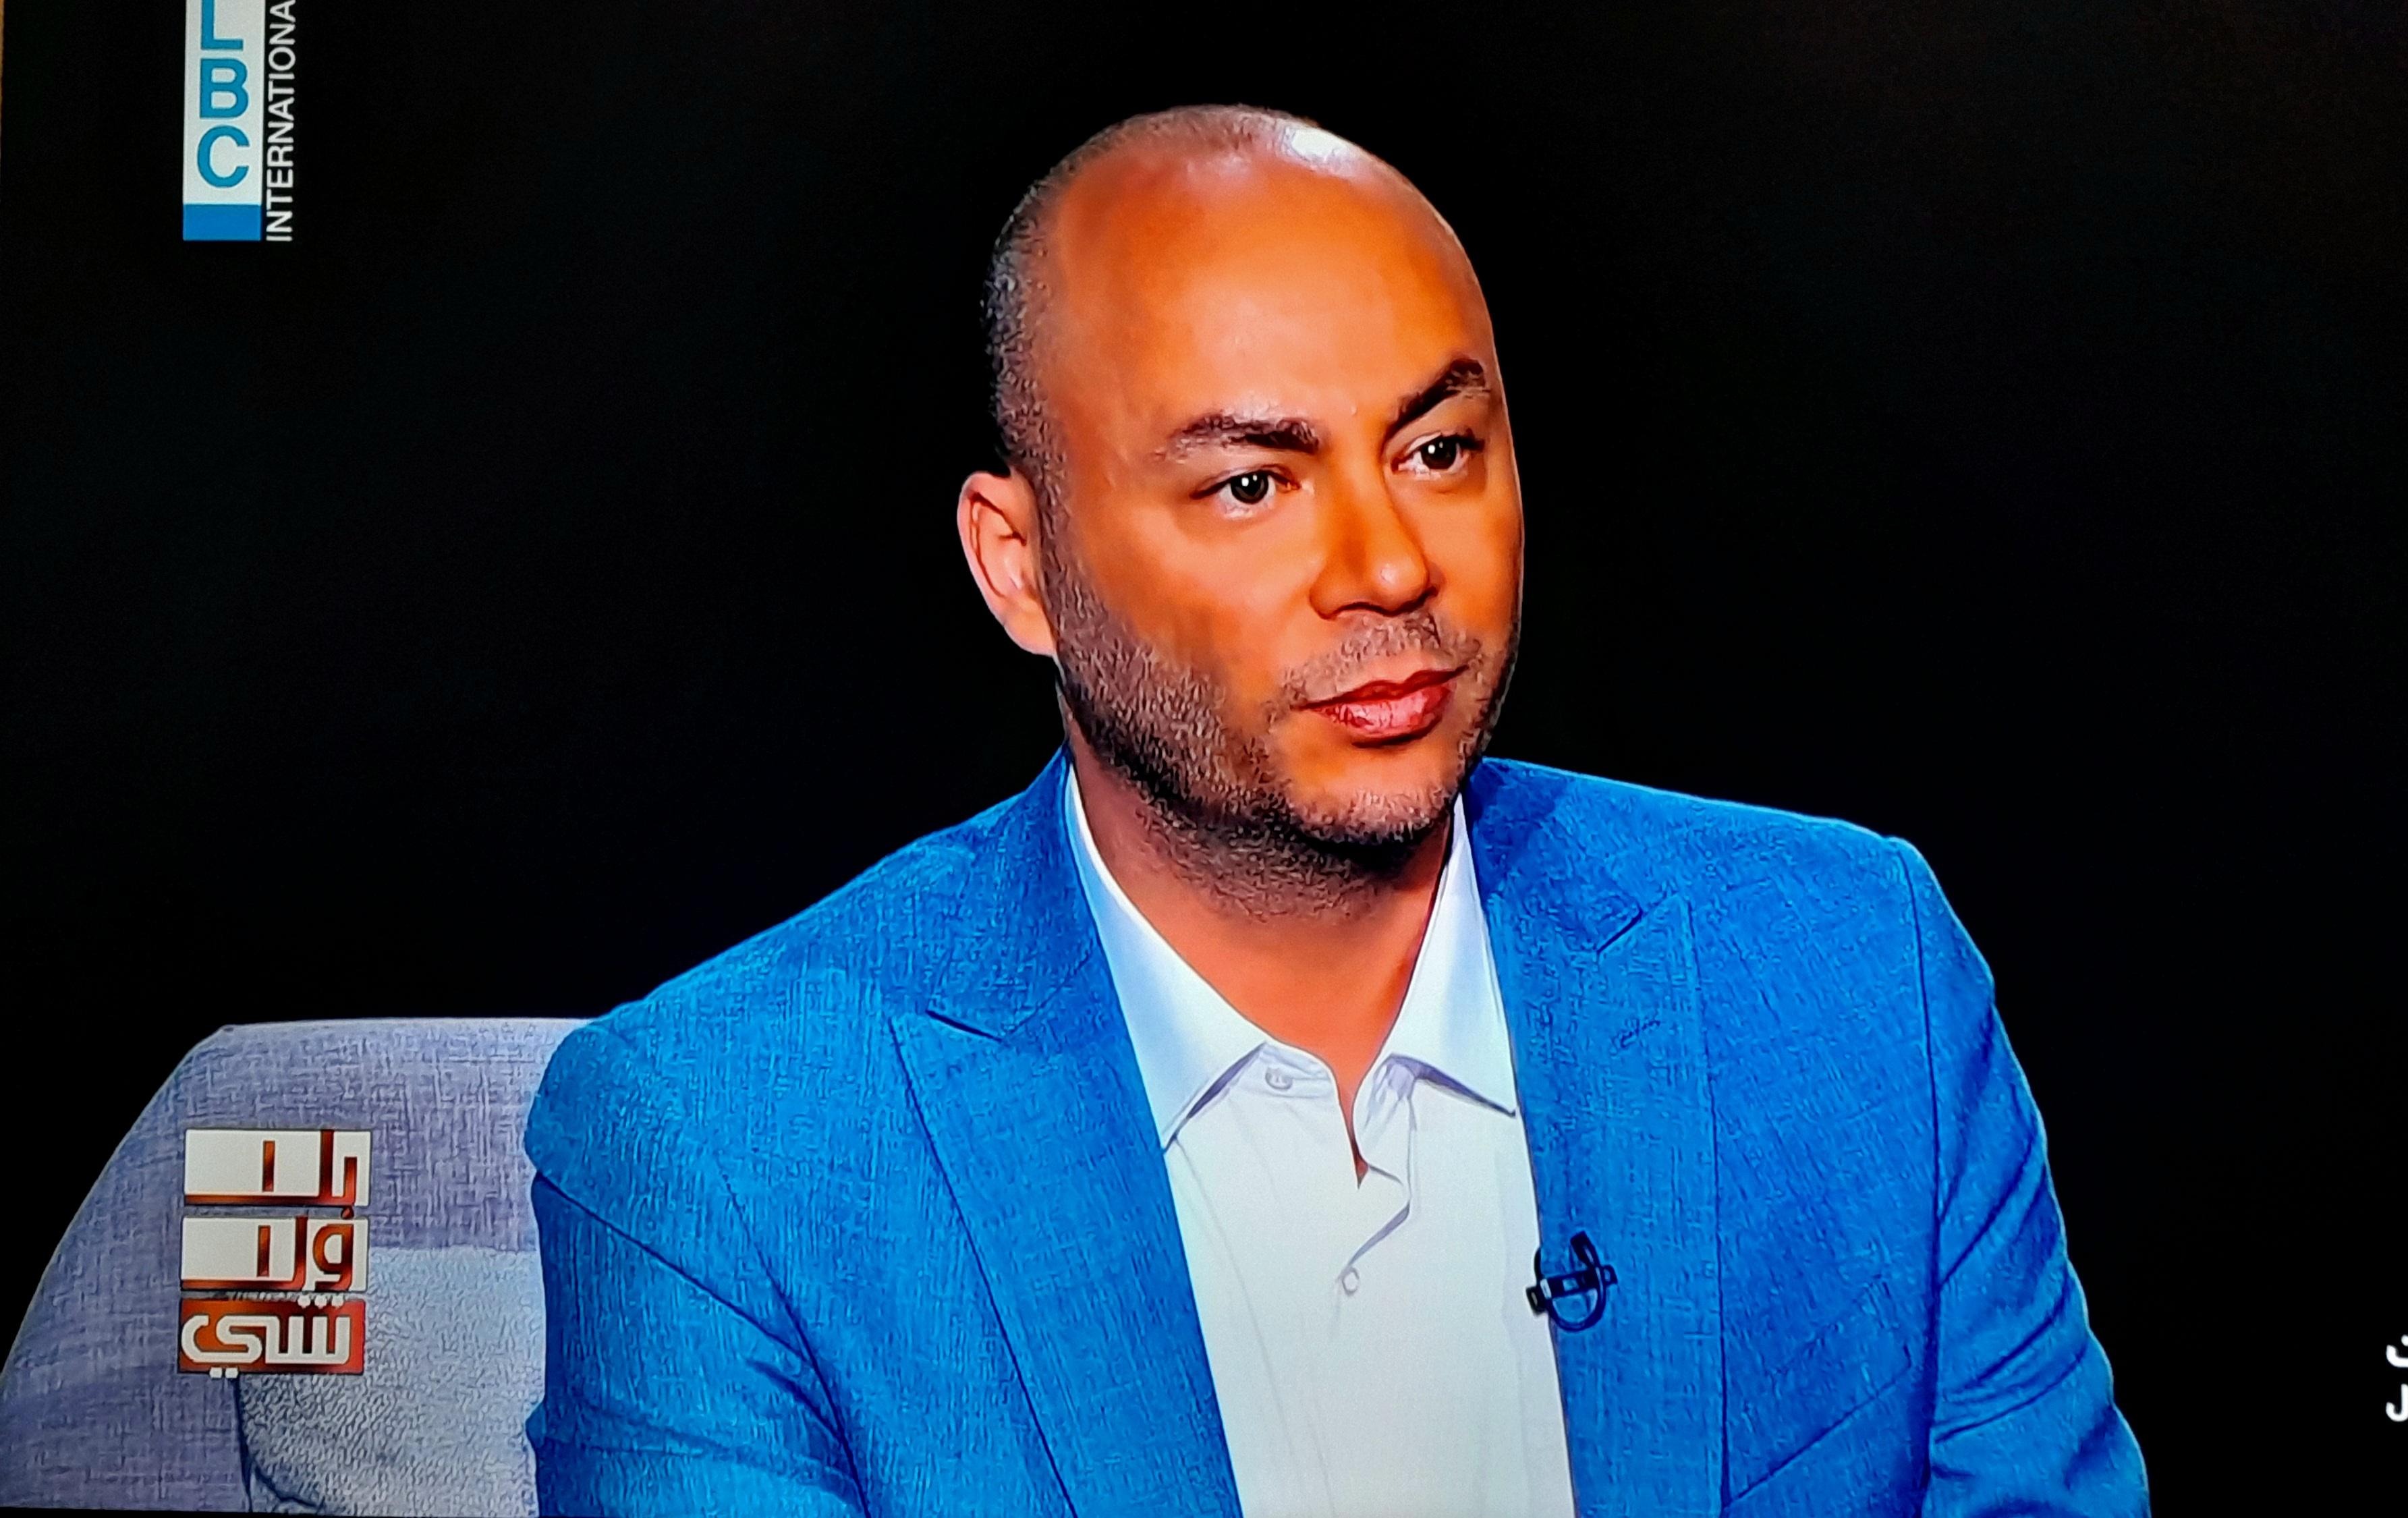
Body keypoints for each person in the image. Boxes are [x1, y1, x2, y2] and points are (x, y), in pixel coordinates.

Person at [525, 105, 2148, 1518]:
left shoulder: (1855, 975)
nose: (1386, 565)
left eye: (1436, 450)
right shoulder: (718, 1148)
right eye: (1252, 484)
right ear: (1021, 568)